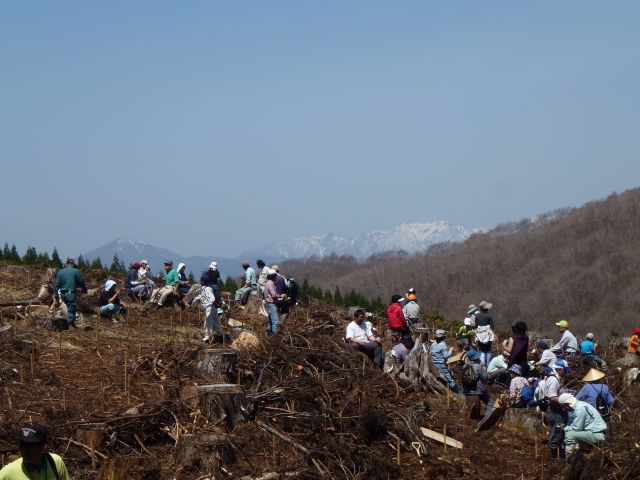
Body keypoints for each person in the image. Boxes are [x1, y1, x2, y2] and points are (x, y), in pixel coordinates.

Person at [0, 423, 70, 480]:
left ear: (43, 447)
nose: (24, 450)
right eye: (22, 445)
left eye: (29, 446)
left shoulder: (55, 463)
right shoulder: (9, 472)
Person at [558, 393, 607, 458]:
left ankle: (568, 461)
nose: (564, 409)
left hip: (597, 434)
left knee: (569, 435)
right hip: (594, 432)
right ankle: (577, 457)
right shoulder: (580, 405)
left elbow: (576, 428)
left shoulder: (580, 408)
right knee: (575, 436)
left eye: (564, 406)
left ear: (568, 403)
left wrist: (565, 428)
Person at [541, 365, 567, 458]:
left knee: (560, 430)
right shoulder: (553, 380)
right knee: (557, 430)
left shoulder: (554, 379)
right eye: (565, 371)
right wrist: (565, 400)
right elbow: (552, 397)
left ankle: (559, 451)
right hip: (555, 410)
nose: (566, 373)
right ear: (559, 370)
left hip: (556, 409)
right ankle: (555, 455)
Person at [53, 258, 87, 328]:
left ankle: (64, 322)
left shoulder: (60, 272)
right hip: (70, 293)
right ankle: (71, 324)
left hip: (62, 293)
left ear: (66, 264)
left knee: (65, 307)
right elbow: (81, 282)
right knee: (71, 308)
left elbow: (57, 284)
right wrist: (85, 290)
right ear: (73, 264)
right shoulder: (75, 271)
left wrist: (56, 294)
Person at [474, 300, 495, 368]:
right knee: (488, 350)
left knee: (481, 350)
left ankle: (482, 365)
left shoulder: (477, 316)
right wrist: (494, 335)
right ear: (486, 308)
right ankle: (488, 365)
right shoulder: (489, 316)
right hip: (488, 336)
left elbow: (476, 327)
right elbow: (492, 327)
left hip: (479, 336)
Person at [263, 269, 283, 334]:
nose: (276, 277)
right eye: (275, 276)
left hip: (268, 303)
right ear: (273, 276)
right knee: (275, 320)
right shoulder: (271, 283)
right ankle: (275, 334)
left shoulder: (267, 283)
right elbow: (274, 294)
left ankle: (268, 332)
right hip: (272, 303)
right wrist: (280, 296)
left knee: (270, 320)